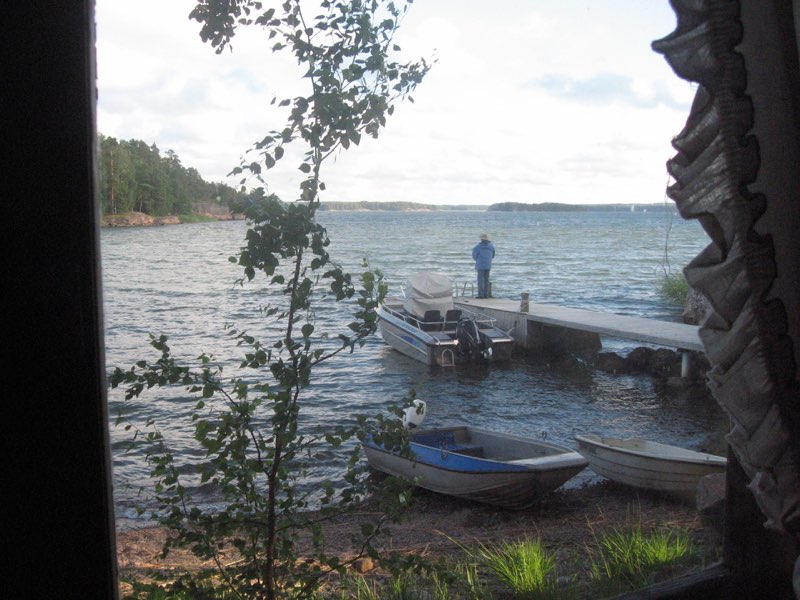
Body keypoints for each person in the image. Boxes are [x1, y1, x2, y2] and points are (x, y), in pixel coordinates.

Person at [472, 233, 495, 298]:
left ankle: (481, 295)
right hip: (488, 265)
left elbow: (474, 256)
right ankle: (486, 294)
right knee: (486, 280)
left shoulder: (477, 247)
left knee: (480, 280)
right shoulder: (491, 246)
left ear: (481, 239)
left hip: (480, 265)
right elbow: (493, 255)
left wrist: (478, 260)